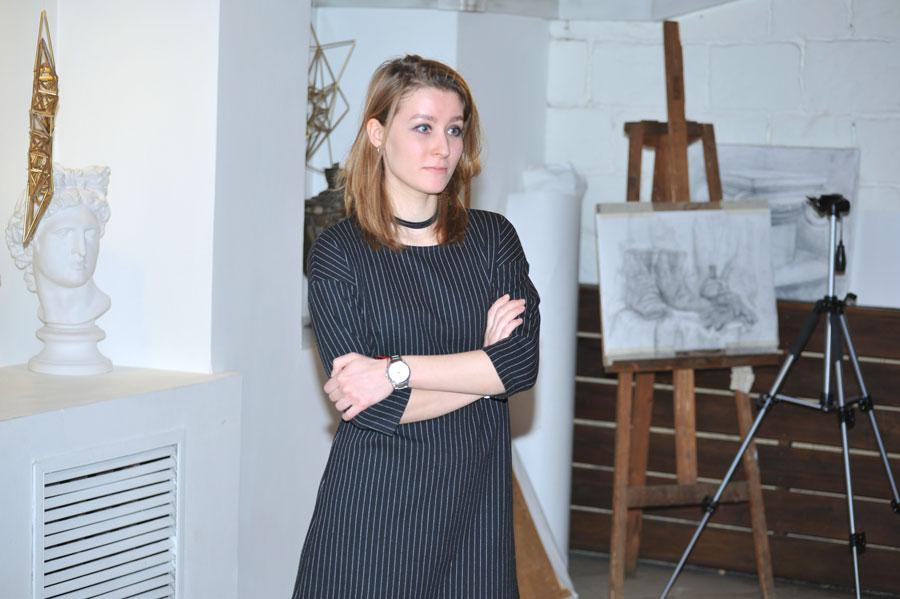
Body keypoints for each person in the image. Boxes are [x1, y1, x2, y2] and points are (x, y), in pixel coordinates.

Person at [293, 55, 540, 598]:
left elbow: (520, 365)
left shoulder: (493, 239)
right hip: (375, 508)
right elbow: (370, 407)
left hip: (474, 507)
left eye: (454, 129)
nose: (443, 148)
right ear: (377, 134)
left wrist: (395, 372)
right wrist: (484, 370)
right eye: (423, 127)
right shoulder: (339, 253)